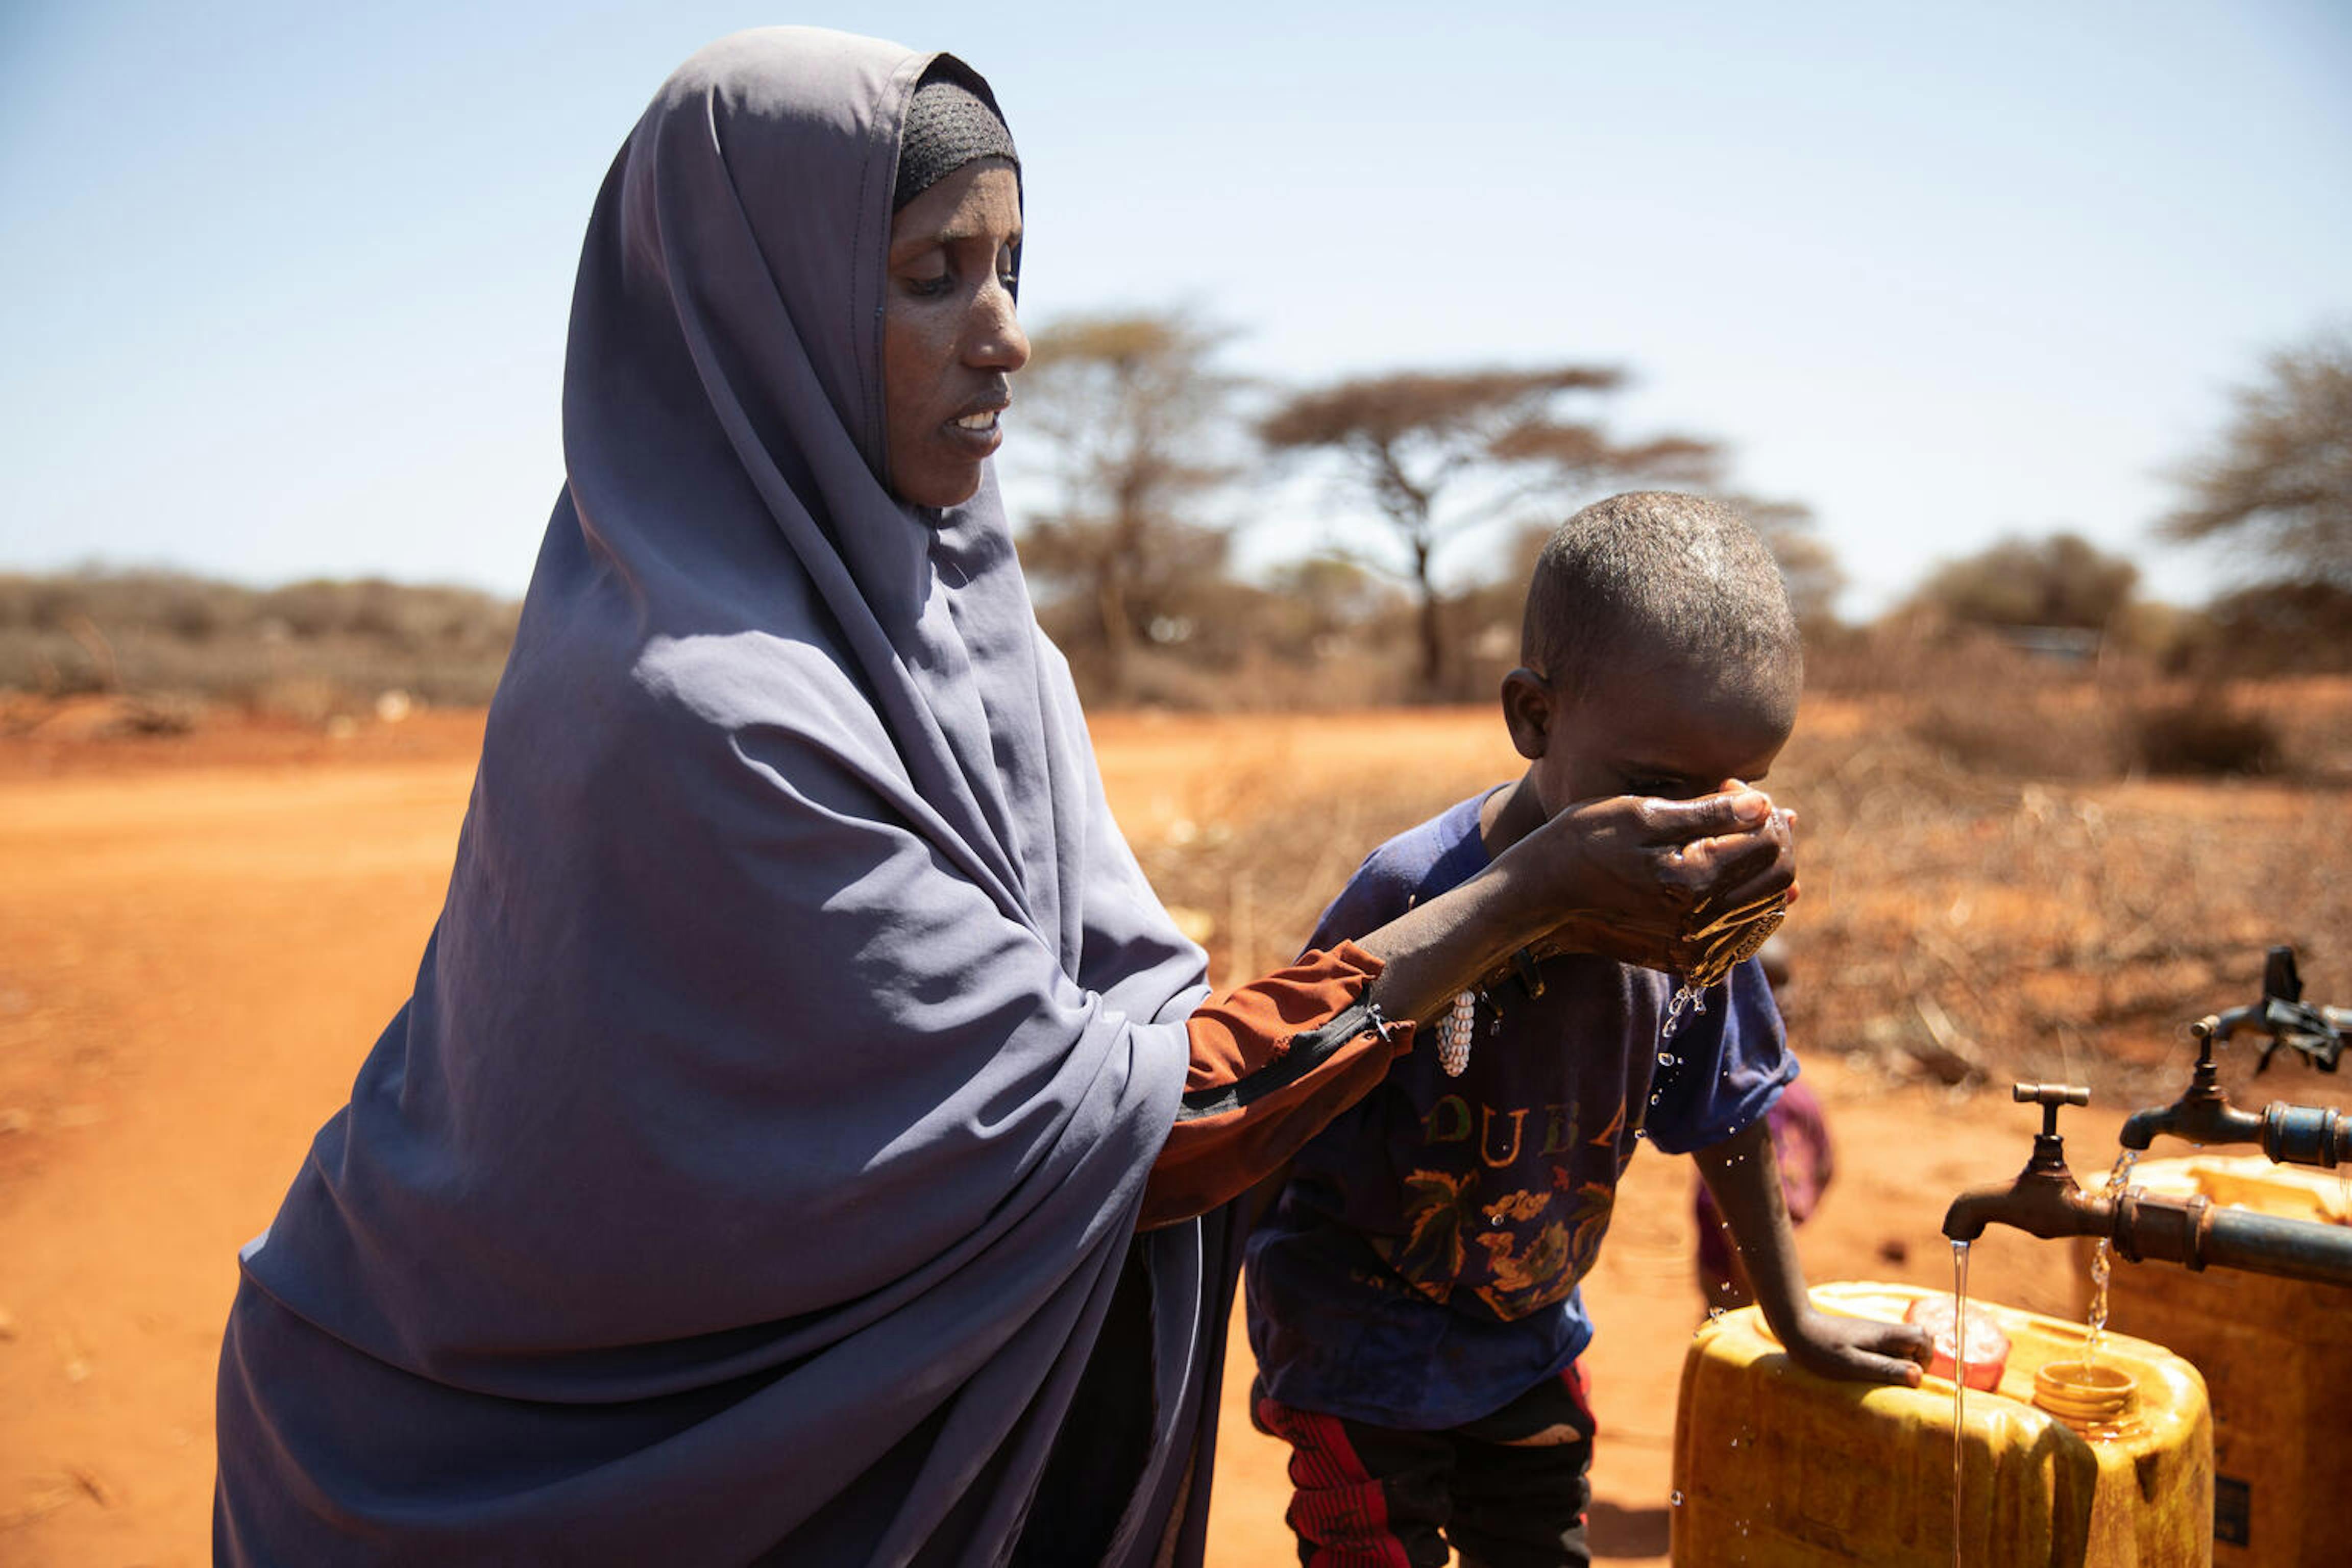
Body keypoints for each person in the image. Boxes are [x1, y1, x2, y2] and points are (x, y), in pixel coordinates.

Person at [210, 33, 1801, 1568]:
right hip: (549, 1464)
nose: (1005, 335)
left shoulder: (974, 632)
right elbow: (1126, 1123)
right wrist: (1523, 899)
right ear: (757, 318)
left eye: (1010, 269)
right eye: (927, 277)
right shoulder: (706, 714)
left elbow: (1124, 1042)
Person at [1244, 493, 1930, 1568]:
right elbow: (1288, 1092)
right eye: (1656, 788)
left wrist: (1791, 1316)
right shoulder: (1418, 893)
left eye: (1734, 792)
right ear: (1534, 718)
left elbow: (1734, 1112)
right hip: (1354, 1344)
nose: (1694, 829)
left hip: (1528, 1337)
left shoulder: (1689, 913)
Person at [1694, 936, 1835, 1310]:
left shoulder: (1756, 1098)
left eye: (1783, 983)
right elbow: (1824, 1166)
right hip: (1749, 1269)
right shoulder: (1778, 1094)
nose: (1781, 999)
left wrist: (1762, 1290)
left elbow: (1732, 1211)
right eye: (1768, 986)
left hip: (1746, 1275)